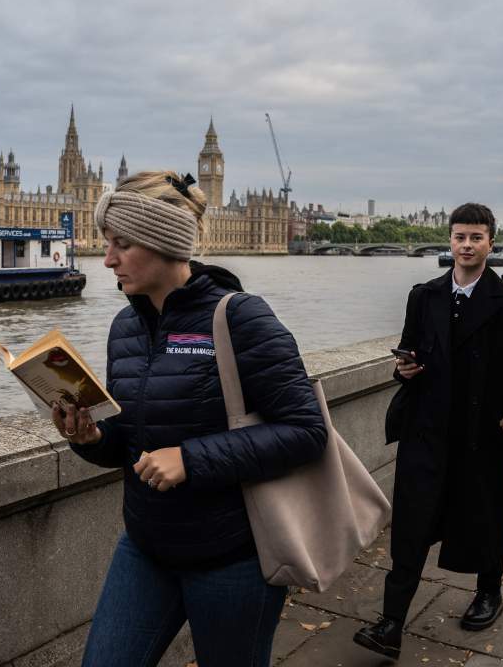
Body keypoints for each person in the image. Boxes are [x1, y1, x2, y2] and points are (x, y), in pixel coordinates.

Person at [55, 170, 328, 667]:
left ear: (162, 242)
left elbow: (307, 432)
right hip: (145, 547)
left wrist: (191, 458)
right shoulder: (125, 327)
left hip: (232, 557)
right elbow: (130, 442)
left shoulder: (240, 317)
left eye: (120, 244)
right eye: (106, 243)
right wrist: (90, 436)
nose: (108, 258)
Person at [354, 203, 503, 658]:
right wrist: (402, 369)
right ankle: (391, 622)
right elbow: (408, 352)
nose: (467, 245)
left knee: (485, 513)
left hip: (483, 434)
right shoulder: (423, 296)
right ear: (450, 240)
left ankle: (489, 592)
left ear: (490, 243)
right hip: (426, 429)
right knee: (410, 522)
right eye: (460, 237)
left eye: (476, 238)